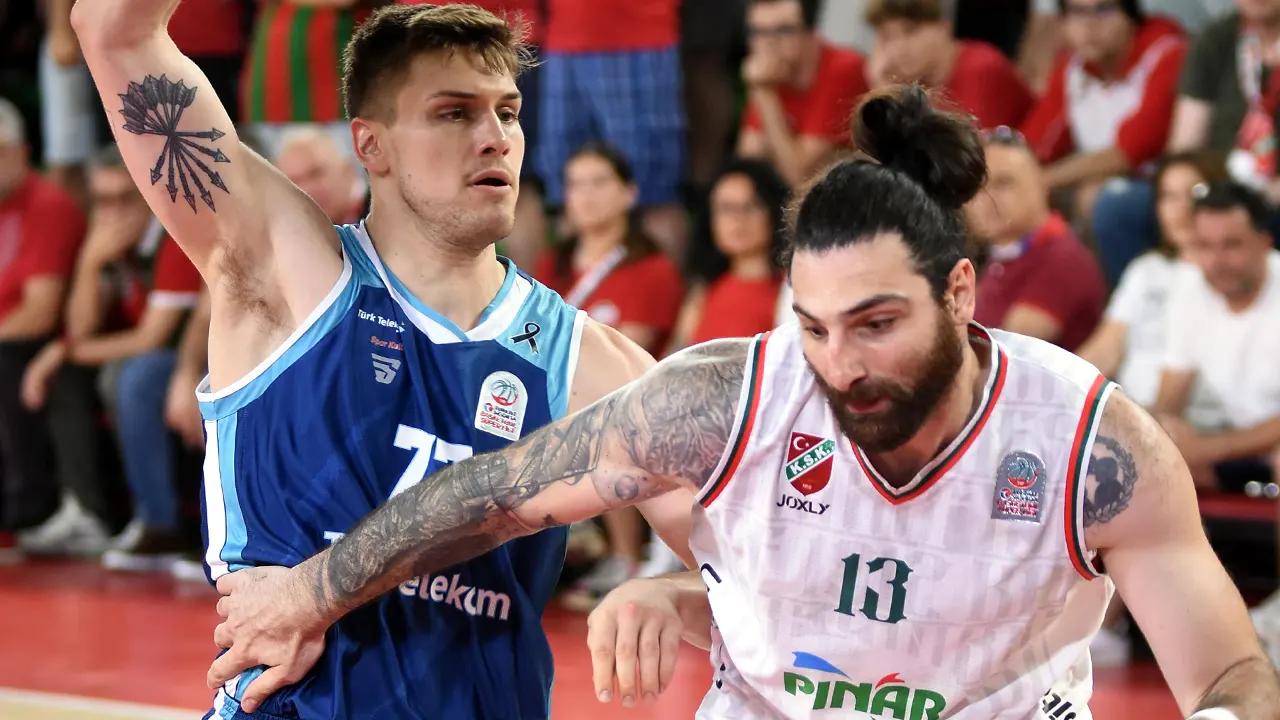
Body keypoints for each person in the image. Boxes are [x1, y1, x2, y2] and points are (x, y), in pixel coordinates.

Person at [208, 85, 1280, 718]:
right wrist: (311, 593)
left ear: (960, 294)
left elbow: (1230, 668)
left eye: (875, 324)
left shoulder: (1091, 445)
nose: (839, 364)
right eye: (813, 325)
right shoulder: (730, 397)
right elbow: (492, 493)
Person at [72, 2, 691, 718]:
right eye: (454, 113)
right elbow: (112, 28)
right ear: (371, 144)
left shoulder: (590, 361)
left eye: (509, 113)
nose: (494, 138)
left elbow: (755, 560)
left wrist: (670, 593)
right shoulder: (286, 269)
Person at [533, 142, 685, 605]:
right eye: (576, 184)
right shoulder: (551, 264)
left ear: (629, 193)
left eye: (600, 182)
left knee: (603, 410)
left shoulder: (651, 268)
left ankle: (625, 557)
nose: (586, 195)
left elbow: (624, 353)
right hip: (553, 395)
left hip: (627, 403)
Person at [1078, 151, 1227, 422]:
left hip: (1195, 421)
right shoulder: (1146, 270)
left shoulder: (1232, 276)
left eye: (1194, 193)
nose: (1181, 208)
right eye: (1168, 197)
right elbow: (1106, 349)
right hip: (1131, 414)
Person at [966, 126, 1107, 351]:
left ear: (1042, 185)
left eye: (1004, 183)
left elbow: (1004, 352)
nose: (988, 198)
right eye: (980, 186)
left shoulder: (1061, 259)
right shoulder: (1004, 255)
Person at [736, 0, 869, 187]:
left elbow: (800, 177)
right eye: (758, 32)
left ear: (811, 32)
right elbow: (749, 162)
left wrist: (765, 93)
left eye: (783, 30)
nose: (768, 43)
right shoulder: (773, 73)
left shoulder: (842, 69)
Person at [672, 157, 789, 352]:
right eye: (726, 208)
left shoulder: (791, 288)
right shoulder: (703, 290)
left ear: (774, 212)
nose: (738, 219)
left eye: (751, 206)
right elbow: (676, 357)